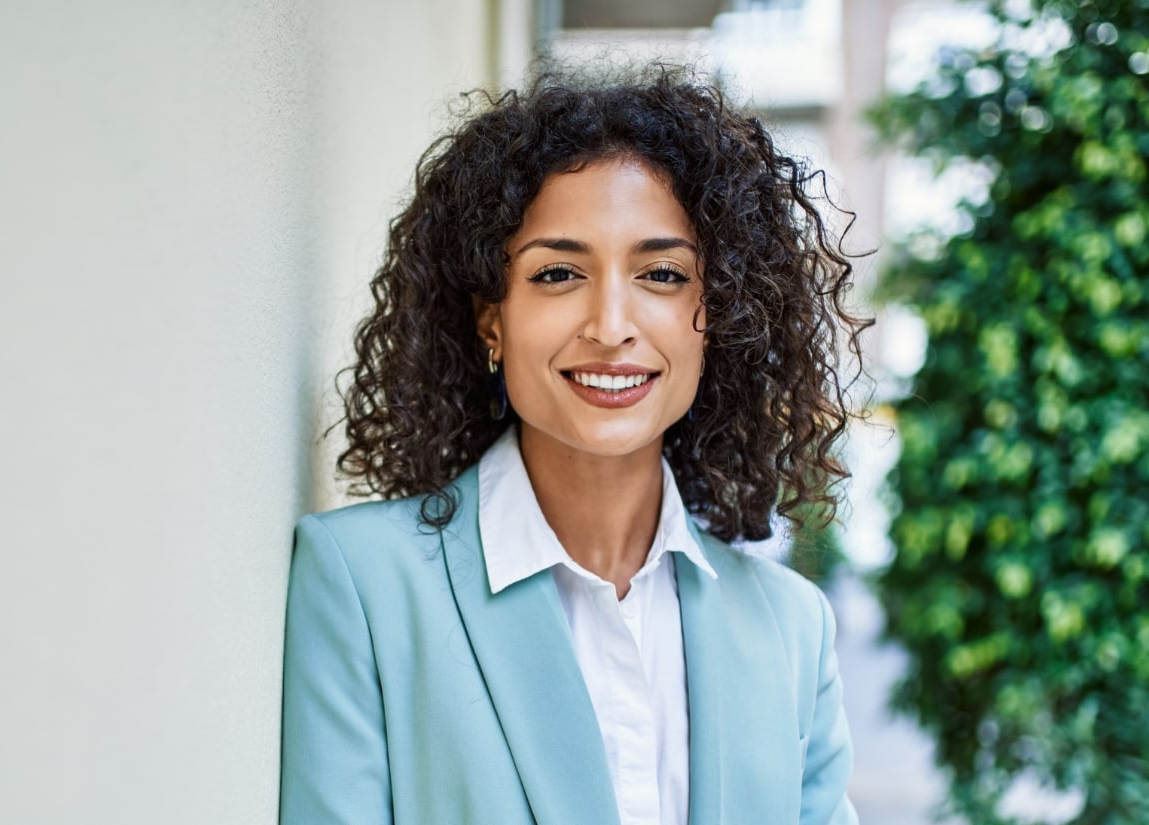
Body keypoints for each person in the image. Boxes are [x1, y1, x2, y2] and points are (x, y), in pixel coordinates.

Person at [280, 65, 866, 825]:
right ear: (491, 318)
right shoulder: (362, 585)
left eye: (662, 274)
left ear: (718, 315)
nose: (611, 325)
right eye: (558, 273)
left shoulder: (792, 630)